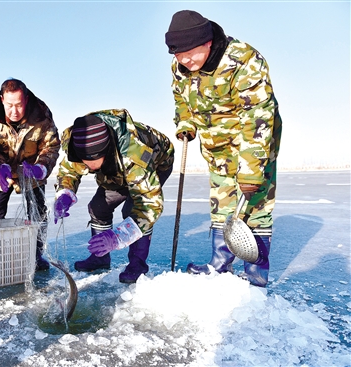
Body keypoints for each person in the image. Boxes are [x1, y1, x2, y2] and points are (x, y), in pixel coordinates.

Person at [165, 10, 282, 287]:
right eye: (178, 55)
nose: (184, 61)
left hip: (252, 141)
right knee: (221, 201)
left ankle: (256, 276)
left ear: (207, 42)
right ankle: (219, 265)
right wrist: (185, 122)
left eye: (189, 53)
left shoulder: (243, 60)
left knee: (255, 204)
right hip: (216, 146)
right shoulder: (180, 66)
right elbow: (181, 99)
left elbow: (258, 115)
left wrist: (252, 169)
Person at [53, 109, 174, 284]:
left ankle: (137, 265)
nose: (85, 166)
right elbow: (69, 171)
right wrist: (65, 193)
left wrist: (118, 236)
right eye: (83, 160)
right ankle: (100, 258)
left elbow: (149, 205)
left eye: (90, 162)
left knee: (133, 209)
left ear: (105, 151)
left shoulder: (135, 155)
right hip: (114, 168)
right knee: (98, 207)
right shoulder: (79, 142)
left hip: (156, 164)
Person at [0, 78, 60, 271]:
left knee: (38, 213)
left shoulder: (41, 115)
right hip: (1, 173)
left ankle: (37, 254)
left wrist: (42, 168)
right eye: (9, 105)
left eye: (19, 105)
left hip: (31, 172)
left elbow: (51, 146)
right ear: (2, 100)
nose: (14, 111)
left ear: (27, 100)